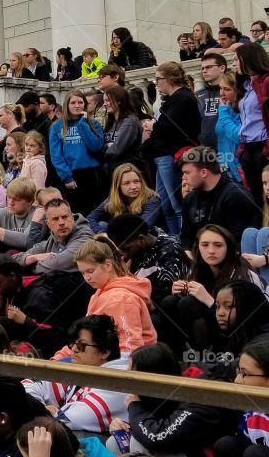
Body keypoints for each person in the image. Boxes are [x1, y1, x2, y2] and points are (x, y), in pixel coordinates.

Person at [162, 224, 259, 353]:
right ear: (198, 247)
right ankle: (176, 359)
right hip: (207, 327)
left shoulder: (243, 273)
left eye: (218, 245)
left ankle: (208, 361)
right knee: (169, 302)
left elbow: (247, 319)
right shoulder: (197, 269)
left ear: (228, 247)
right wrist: (181, 290)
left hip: (241, 334)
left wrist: (209, 300)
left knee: (189, 303)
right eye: (205, 245)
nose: (211, 250)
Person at [144, 63, 202, 236]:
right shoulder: (173, 99)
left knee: (177, 204)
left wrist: (154, 125)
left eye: (158, 79)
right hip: (161, 155)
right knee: (165, 205)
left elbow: (173, 127)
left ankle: (183, 242)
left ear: (169, 79)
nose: (156, 83)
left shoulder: (182, 98)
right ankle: (173, 240)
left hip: (171, 155)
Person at [212, 334, 269, 457]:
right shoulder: (249, 404)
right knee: (226, 445)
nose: (237, 380)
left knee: (255, 455)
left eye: (245, 374)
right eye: (239, 371)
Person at [73, 238, 156, 354]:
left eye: (90, 271)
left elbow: (129, 347)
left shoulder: (122, 298)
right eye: (83, 273)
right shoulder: (98, 294)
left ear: (107, 265)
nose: (87, 278)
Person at [180, 145, 262, 250]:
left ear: (204, 172)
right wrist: (188, 253)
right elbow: (186, 236)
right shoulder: (190, 199)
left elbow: (240, 242)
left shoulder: (236, 196)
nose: (183, 178)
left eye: (187, 173)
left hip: (232, 261)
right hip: (198, 261)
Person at [48, 91, 105, 216]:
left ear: (85, 105)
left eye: (80, 102)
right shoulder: (57, 126)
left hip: (93, 174)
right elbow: (56, 155)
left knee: (94, 212)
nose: (77, 105)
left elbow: (96, 146)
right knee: (76, 214)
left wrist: (83, 124)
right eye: (73, 102)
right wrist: (66, 176)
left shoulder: (93, 123)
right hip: (71, 176)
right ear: (67, 105)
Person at [235, 43, 269, 208]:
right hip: (248, 147)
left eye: (237, 59)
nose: (234, 63)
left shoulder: (266, 82)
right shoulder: (246, 86)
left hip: (263, 146)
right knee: (256, 197)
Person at [87, 163, 162, 234]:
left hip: (145, 238)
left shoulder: (152, 199)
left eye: (136, 181)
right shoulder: (113, 198)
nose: (133, 187)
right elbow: (90, 218)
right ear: (118, 186)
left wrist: (112, 234)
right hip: (120, 237)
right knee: (102, 225)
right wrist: (102, 233)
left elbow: (142, 226)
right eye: (127, 183)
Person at [101, 85, 143, 169]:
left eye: (108, 100)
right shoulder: (111, 122)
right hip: (113, 169)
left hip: (128, 169)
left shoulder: (129, 122)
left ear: (119, 101)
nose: (105, 104)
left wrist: (100, 154)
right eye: (104, 101)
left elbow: (117, 149)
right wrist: (108, 146)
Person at [197, 52, 228, 150]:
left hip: (229, 146)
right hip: (205, 149)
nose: (204, 71)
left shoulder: (232, 90)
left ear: (222, 68)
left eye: (208, 67)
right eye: (202, 68)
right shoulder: (197, 95)